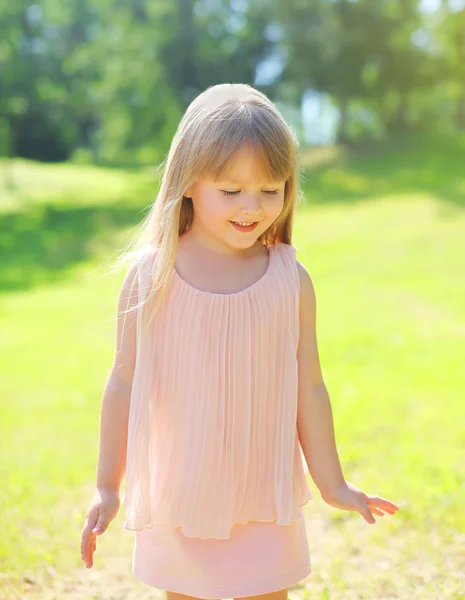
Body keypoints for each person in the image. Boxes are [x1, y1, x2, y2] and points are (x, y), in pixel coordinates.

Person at [80, 83, 400, 600]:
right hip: (181, 499)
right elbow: (122, 385)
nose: (252, 207)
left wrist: (332, 482)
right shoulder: (150, 277)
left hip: (263, 499)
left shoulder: (290, 279)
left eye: (271, 190)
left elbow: (310, 389)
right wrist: (107, 486)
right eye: (231, 191)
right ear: (187, 182)